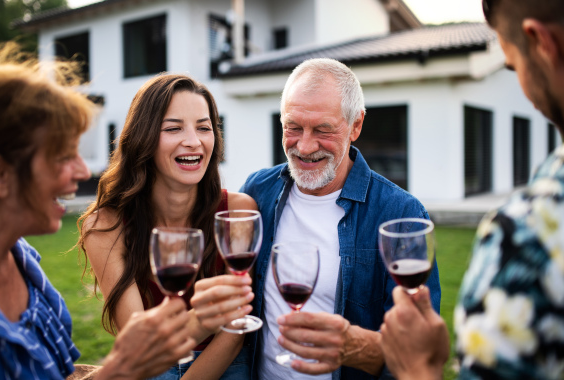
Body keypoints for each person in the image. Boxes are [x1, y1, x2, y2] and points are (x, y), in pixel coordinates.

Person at [0, 42, 253, 380]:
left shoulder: (25, 263)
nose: (83, 171)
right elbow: (140, 355)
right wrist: (202, 320)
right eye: (61, 156)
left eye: (204, 127)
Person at [380, 0, 564, 379]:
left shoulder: (528, 232)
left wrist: (417, 367)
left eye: (513, 66)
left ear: (542, 43)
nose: (523, 89)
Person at [240, 57, 442, 380]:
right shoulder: (256, 192)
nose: (304, 146)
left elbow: (419, 356)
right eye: (293, 127)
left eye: (323, 130)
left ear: (356, 126)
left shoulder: (401, 215)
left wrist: (359, 348)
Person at [78, 73, 257, 380]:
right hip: (152, 366)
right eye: (174, 128)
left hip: (226, 365)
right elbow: (140, 341)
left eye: (204, 127)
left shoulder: (239, 211)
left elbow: (234, 332)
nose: (194, 141)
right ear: (143, 137)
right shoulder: (105, 226)